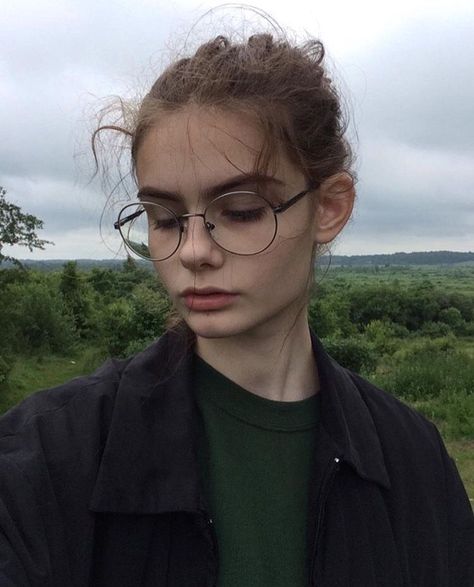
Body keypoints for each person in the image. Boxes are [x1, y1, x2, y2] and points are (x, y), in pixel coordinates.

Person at [0, 26, 473, 587]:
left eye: (243, 211)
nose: (194, 251)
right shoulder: (47, 458)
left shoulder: (413, 460)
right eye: (165, 218)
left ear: (329, 207)